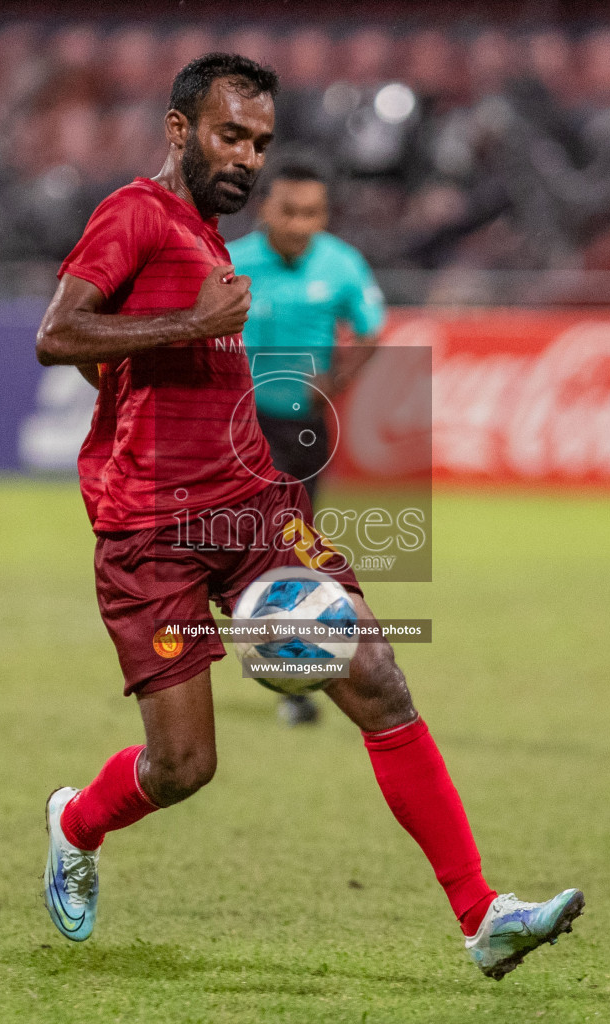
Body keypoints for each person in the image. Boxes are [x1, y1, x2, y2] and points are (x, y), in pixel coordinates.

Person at [33, 53, 583, 980]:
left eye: (260, 142)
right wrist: (182, 333)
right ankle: (76, 822)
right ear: (179, 132)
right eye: (229, 136)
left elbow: (118, 359)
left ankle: (482, 914)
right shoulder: (134, 215)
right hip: (151, 536)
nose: (247, 157)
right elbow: (57, 334)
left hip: (253, 511)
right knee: (184, 769)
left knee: (378, 678)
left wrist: (160, 364)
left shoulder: (210, 235)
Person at [226, 162, 386, 727]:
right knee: (217, 541)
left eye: (313, 212)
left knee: (289, 549)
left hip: (301, 430)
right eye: (290, 210)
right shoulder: (231, 262)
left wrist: (335, 382)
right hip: (233, 425)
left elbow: (371, 331)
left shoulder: (341, 264)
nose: (301, 224)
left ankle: (294, 679)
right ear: (263, 208)